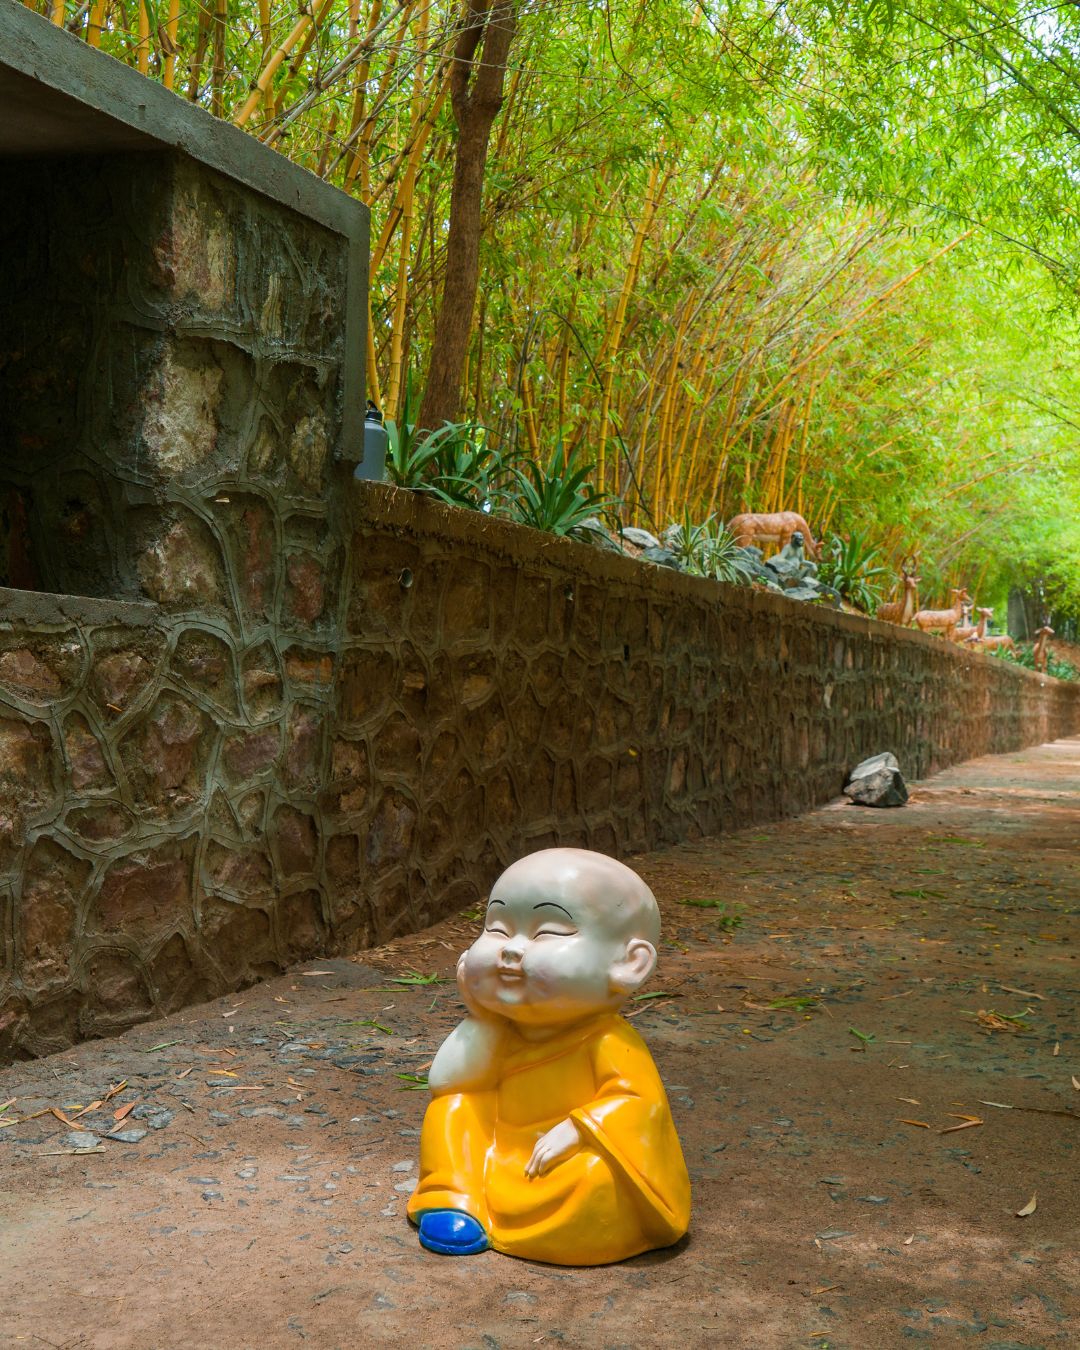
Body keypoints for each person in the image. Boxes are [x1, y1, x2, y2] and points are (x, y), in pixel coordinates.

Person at [407, 848, 691, 1265]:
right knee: (452, 1109)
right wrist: (481, 1016)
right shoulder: (502, 1030)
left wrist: (580, 1128)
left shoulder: (608, 1040)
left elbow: (639, 1104)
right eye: (497, 928)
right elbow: (448, 1083)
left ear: (630, 963)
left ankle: (561, 1225)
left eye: (549, 932)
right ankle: (456, 1198)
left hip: (563, 1160)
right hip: (496, 1149)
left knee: (600, 1178)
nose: (511, 950)